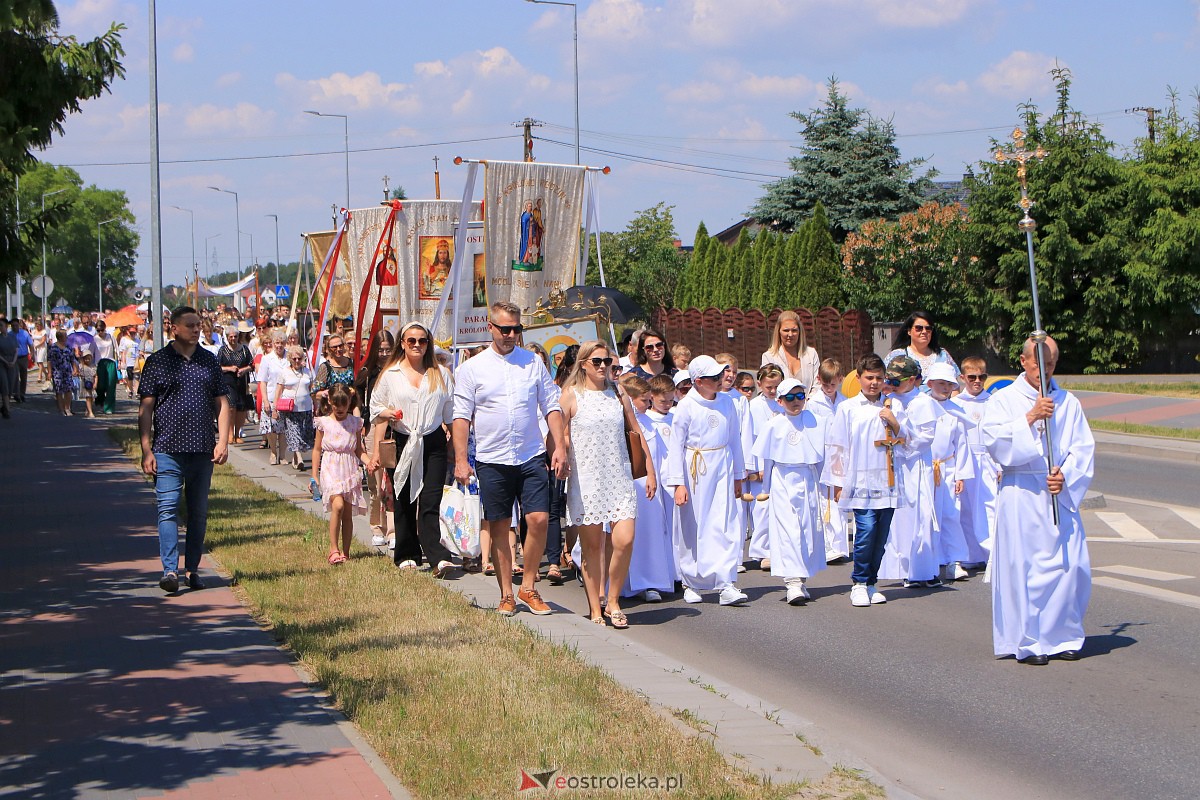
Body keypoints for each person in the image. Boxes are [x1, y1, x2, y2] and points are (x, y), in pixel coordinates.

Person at [982, 336, 1094, 665]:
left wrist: (1067, 476)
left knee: (1068, 566)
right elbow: (993, 440)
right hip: (1022, 493)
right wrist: (1030, 418)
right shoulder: (1004, 399)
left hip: (1056, 494)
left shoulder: (1068, 402)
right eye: (1038, 363)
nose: (1045, 370)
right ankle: (1029, 641)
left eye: (1051, 364)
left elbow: (1082, 448)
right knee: (1025, 568)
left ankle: (1062, 635)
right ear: (1023, 361)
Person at [452, 302, 566, 616]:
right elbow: (461, 417)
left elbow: (551, 407)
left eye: (517, 329)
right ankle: (506, 593)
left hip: (530, 455)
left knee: (539, 519)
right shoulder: (472, 369)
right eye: (505, 329)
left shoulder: (532, 363)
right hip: (492, 458)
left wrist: (559, 448)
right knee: (501, 527)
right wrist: (461, 461)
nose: (511, 334)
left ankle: (528, 586)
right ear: (490, 328)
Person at [138, 306, 232, 594]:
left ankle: (192, 569)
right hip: (167, 449)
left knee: (198, 513)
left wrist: (223, 441)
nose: (196, 329)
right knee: (167, 510)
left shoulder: (209, 361)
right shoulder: (157, 362)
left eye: (198, 324)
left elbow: (223, 403)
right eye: (190, 325)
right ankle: (170, 570)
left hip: (202, 450)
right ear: (174, 328)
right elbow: (146, 408)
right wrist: (146, 448)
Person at [561, 341, 655, 628]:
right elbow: (560, 432)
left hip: (619, 476)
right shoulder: (570, 395)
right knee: (592, 547)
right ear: (584, 364)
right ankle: (594, 607)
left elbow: (635, 431)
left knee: (624, 539)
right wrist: (561, 452)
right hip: (587, 478)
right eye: (598, 361)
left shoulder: (618, 393)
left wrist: (649, 470)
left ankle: (613, 599)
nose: (604, 367)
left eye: (608, 362)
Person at [370, 322, 456, 576]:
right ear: (403, 344)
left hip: (433, 441)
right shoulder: (391, 374)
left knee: (431, 499)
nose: (417, 345)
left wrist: (455, 447)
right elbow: (376, 409)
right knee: (404, 498)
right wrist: (388, 416)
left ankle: (437, 555)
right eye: (412, 341)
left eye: (422, 340)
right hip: (402, 440)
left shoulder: (440, 373)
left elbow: (451, 414)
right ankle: (407, 553)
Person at [665, 355, 748, 606]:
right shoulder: (686, 406)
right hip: (696, 470)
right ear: (699, 381)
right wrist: (678, 483)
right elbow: (676, 446)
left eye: (720, 375)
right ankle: (691, 581)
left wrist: (738, 476)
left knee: (724, 523)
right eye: (713, 377)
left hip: (721, 465)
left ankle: (725, 582)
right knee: (694, 524)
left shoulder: (727, 403)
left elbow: (735, 439)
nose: (720, 380)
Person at [822, 353, 902, 607]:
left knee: (881, 534)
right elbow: (838, 446)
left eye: (879, 378)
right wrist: (838, 482)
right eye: (869, 378)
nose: (874, 383)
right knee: (865, 531)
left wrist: (895, 423)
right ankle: (858, 582)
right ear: (859, 378)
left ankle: (872, 582)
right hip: (859, 480)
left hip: (886, 480)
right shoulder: (847, 408)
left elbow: (907, 442)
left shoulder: (892, 405)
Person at [751, 378, 827, 605]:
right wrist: (766, 489)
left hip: (808, 478)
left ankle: (801, 578)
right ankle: (792, 581)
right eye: (790, 398)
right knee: (788, 529)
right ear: (780, 400)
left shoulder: (816, 420)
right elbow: (768, 459)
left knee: (807, 529)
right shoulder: (774, 425)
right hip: (783, 479)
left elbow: (821, 455)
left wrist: (825, 485)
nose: (796, 402)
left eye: (800, 396)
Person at [878, 356, 941, 588]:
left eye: (897, 381)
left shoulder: (923, 402)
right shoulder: (889, 400)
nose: (892, 386)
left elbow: (923, 439)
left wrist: (898, 426)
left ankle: (923, 569)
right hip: (896, 464)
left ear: (913, 380)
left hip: (916, 466)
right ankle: (903, 568)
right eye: (890, 381)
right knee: (898, 518)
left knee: (920, 515)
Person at [620, 374, 675, 603]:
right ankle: (627, 584)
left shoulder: (650, 423)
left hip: (649, 487)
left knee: (651, 534)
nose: (648, 404)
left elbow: (659, 455)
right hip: (628, 484)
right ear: (630, 400)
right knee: (629, 535)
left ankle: (650, 582)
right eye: (644, 400)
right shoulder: (622, 423)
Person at [922, 362, 975, 583]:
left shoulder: (956, 412)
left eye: (948, 384)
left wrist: (961, 474)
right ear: (930, 383)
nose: (944, 388)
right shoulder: (922, 406)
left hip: (948, 467)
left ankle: (955, 560)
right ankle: (929, 560)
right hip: (925, 467)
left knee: (951, 514)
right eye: (940, 383)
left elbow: (961, 444)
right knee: (927, 515)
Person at [313, 384, 369, 565]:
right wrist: (314, 474)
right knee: (337, 506)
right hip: (331, 467)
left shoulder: (354, 423)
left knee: (346, 511)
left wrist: (369, 461)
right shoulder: (324, 423)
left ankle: (346, 552)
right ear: (329, 402)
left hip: (349, 469)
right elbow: (316, 449)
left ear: (349, 403)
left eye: (343, 405)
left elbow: (359, 450)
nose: (339, 409)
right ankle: (333, 548)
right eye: (335, 405)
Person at [807, 358, 852, 563]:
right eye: (825, 384)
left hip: (841, 455)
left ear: (840, 380)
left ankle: (839, 545)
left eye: (833, 384)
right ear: (819, 380)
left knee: (839, 499)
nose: (828, 388)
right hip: (822, 455)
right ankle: (826, 545)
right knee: (824, 500)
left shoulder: (844, 402)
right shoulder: (813, 403)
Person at [955, 356, 998, 569]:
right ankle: (970, 555)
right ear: (963, 377)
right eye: (972, 377)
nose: (977, 381)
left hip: (988, 460)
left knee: (990, 506)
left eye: (982, 377)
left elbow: (999, 435)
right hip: (966, 460)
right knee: (966, 508)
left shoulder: (993, 402)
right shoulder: (956, 404)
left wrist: (999, 465)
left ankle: (992, 553)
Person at [356, 330, 395, 548]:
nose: (384, 354)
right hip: (372, 427)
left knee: (392, 482)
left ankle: (392, 529)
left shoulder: (398, 370)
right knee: (375, 481)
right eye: (380, 350)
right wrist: (360, 423)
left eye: (388, 350)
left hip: (394, 427)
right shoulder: (366, 372)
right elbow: (358, 400)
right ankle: (376, 526)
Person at [742, 364, 784, 570]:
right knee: (761, 507)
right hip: (761, 463)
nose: (774, 391)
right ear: (760, 384)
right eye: (769, 387)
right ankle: (761, 550)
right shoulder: (755, 407)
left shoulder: (783, 404)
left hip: (780, 460)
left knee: (777, 506)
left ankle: (774, 547)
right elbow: (752, 438)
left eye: (777, 386)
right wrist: (754, 467)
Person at [273, 345, 315, 472]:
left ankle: (296, 458)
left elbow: (312, 390)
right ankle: (299, 457)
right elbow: (278, 391)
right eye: (294, 359)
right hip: (290, 409)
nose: (297, 361)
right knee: (294, 433)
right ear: (290, 359)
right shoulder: (284, 372)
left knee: (304, 434)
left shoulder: (308, 372)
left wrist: (316, 406)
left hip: (306, 408)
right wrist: (275, 408)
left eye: (299, 358)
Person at [885, 310, 958, 382]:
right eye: (918, 328)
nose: (924, 332)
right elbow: (884, 382)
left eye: (928, 328)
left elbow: (955, 384)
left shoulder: (943, 355)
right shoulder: (896, 355)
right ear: (909, 331)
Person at [761, 310, 820, 389]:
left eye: (794, 330)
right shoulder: (768, 357)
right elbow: (766, 387)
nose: (790, 334)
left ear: (800, 331)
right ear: (778, 332)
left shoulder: (811, 354)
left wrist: (808, 401)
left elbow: (817, 385)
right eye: (786, 330)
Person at [218, 325, 254, 444]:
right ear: (227, 337)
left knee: (241, 408)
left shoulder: (244, 349)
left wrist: (244, 370)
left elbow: (252, 365)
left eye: (235, 336)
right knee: (231, 407)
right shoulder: (223, 351)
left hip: (242, 382)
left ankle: (238, 433)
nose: (233, 338)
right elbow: (217, 367)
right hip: (228, 382)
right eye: (231, 337)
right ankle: (230, 434)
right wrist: (229, 368)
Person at [258, 332, 288, 465]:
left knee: (283, 428)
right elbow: (262, 381)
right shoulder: (267, 359)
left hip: (286, 397)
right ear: (273, 344)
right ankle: (273, 452)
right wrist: (265, 400)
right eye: (277, 343)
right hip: (270, 396)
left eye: (282, 343)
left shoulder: (290, 357)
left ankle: (282, 455)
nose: (279, 346)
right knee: (271, 428)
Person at [311, 334, 356, 416]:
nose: (338, 349)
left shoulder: (351, 364)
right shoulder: (325, 367)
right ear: (328, 349)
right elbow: (314, 393)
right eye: (334, 347)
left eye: (340, 346)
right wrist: (327, 393)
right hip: (330, 413)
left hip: (349, 412)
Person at [48, 329, 77, 417]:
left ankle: (67, 408)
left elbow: (72, 359)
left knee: (68, 390)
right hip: (57, 372)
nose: (66, 337)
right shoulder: (53, 348)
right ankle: (61, 409)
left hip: (67, 371)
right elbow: (49, 360)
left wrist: (75, 369)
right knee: (59, 391)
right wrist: (49, 372)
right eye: (65, 336)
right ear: (60, 337)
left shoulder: (68, 347)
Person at [92, 320, 118, 414]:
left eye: (102, 330)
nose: (100, 332)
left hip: (110, 361)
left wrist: (120, 362)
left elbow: (116, 350)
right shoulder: (94, 339)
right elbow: (91, 352)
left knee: (111, 385)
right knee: (100, 385)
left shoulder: (111, 337)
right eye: (98, 330)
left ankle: (109, 407)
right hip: (99, 363)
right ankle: (100, 401)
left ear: (105, 329)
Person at [11, 318, 33, 403]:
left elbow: (30, 344)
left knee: (23, 377)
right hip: (14, 358)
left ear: (18, 325)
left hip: (23, 357)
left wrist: (32, 354)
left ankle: (22, 394)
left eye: (16, 325)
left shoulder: (24, 333)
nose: (14, 327)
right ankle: (16, 394)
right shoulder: (9, 335)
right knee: (15, 376)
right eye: (13, 326)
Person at [0, 317, 16, 418]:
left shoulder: (12, 337)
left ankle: (4, 406)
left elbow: (16, 349)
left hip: (12, 363)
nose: (0, 327)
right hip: (2, 364)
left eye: (1, 325)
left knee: (10, 386)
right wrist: (5, 361)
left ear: (6, 326)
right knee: (4, 385)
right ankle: (7, 409)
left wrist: (13, 361)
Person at [76, 351, 98, 418]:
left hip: (92, 383)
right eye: (86, 358)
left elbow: (96, 376)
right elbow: (78, 373)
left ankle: (88, 410)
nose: (87, 360)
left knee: (92, 398)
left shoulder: (93, 366)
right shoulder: (81, 366)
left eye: (89, 358)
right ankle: (90, 412)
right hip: (85, 384)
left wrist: (95, 383)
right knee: (88, 397)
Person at [33, 319, 50, 386]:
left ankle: (39, 377)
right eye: (37, 326)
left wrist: (38, 345)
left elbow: (43, 340)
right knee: (38, 362)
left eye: (39, 326)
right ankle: (46, 374)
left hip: (42, 347)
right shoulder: (34, 331)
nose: (38, 327)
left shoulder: (44, 331)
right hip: (35, 348)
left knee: (40, 362)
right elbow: (33, 339)